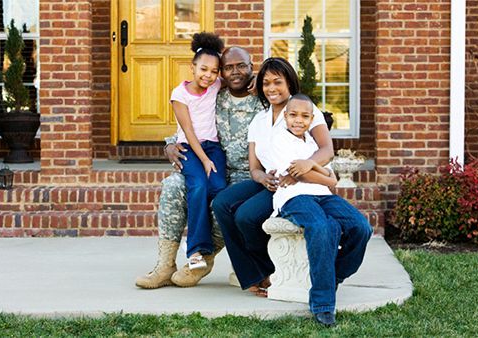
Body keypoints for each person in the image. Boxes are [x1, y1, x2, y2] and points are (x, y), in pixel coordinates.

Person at [135, 47, 263, 288]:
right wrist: (170, 146)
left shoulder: (263, 97)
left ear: (251, 66)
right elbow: (191, 123)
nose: (235, 72)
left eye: (242, 66)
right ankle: (165, 264)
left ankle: (204, 257)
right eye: (228, 68)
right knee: (173, 185)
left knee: (221, 200)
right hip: (212, 163)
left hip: (248, 175)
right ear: (222, 73)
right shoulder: (216, 93)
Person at [211, 57, 334, 297]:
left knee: (246, 216)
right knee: (222, 203)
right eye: (266, 83)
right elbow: (254, 167)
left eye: (277, 82)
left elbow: (327, 150)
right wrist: (262, 179)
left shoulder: (305, 112)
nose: (271, 88)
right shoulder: (259, 119)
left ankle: (269, 271)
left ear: (289, 83)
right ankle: (251, 273)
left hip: (297, 184)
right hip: (270, 182)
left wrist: (304, 166)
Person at [269, 93, 373, 326]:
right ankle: (323, 304)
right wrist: (319, 173)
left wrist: (312, 165)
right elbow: (313, 176)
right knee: (322, 227)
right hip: (295, 198)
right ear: (285, 116)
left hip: (323, 196)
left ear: (312, 119)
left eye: (305, 116)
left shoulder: (312, 142)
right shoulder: (279, 139)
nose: (299, 120)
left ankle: (332, 275)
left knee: (361, 227)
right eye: (293, 115)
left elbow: (327, 176)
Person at [170, 32, 227, 270]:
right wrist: (203, 160)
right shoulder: (179, 94)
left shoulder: (216, 86)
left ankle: (209, 241)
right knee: (198, 187)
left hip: (213, 147)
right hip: (190, 150)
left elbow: (240, 82)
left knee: (218, 188)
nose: (208, 75)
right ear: (192, 67)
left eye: (214, 72)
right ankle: (195, 250)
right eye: (203, 69)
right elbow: (188, 130)